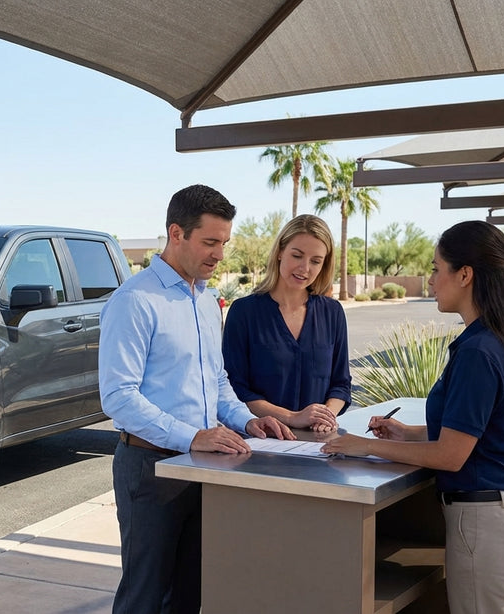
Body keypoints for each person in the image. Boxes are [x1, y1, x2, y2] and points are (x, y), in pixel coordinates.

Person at [322, 220, 504, 614]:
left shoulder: (479, 351)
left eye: (434, 268)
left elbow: (451, 455)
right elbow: (475, 431)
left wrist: (364, 446)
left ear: (464, 275)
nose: (430, 280)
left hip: (489, 524)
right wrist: (404, 433)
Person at [99, 184, 294, 614]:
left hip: (204, 467)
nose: (219, 254)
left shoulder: (206, 301)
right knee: (144, 597)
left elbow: (216, 380)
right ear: (176, 234)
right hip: (150, 469)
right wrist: (193, 437)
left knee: (191, 594)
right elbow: (118, 397)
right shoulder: (134, 301)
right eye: (210, 242)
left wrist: (246, 421)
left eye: (224, 243)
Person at [222, 214, 350, 433]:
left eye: (315, 261)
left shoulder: (333, 313)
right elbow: (234, 390)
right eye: (297, 256)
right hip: (258, 443)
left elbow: (341, 384)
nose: (304, 268)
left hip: (319, 446)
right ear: (280, 251)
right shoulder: (243, 312)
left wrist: (324, 416)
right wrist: (292, 417)